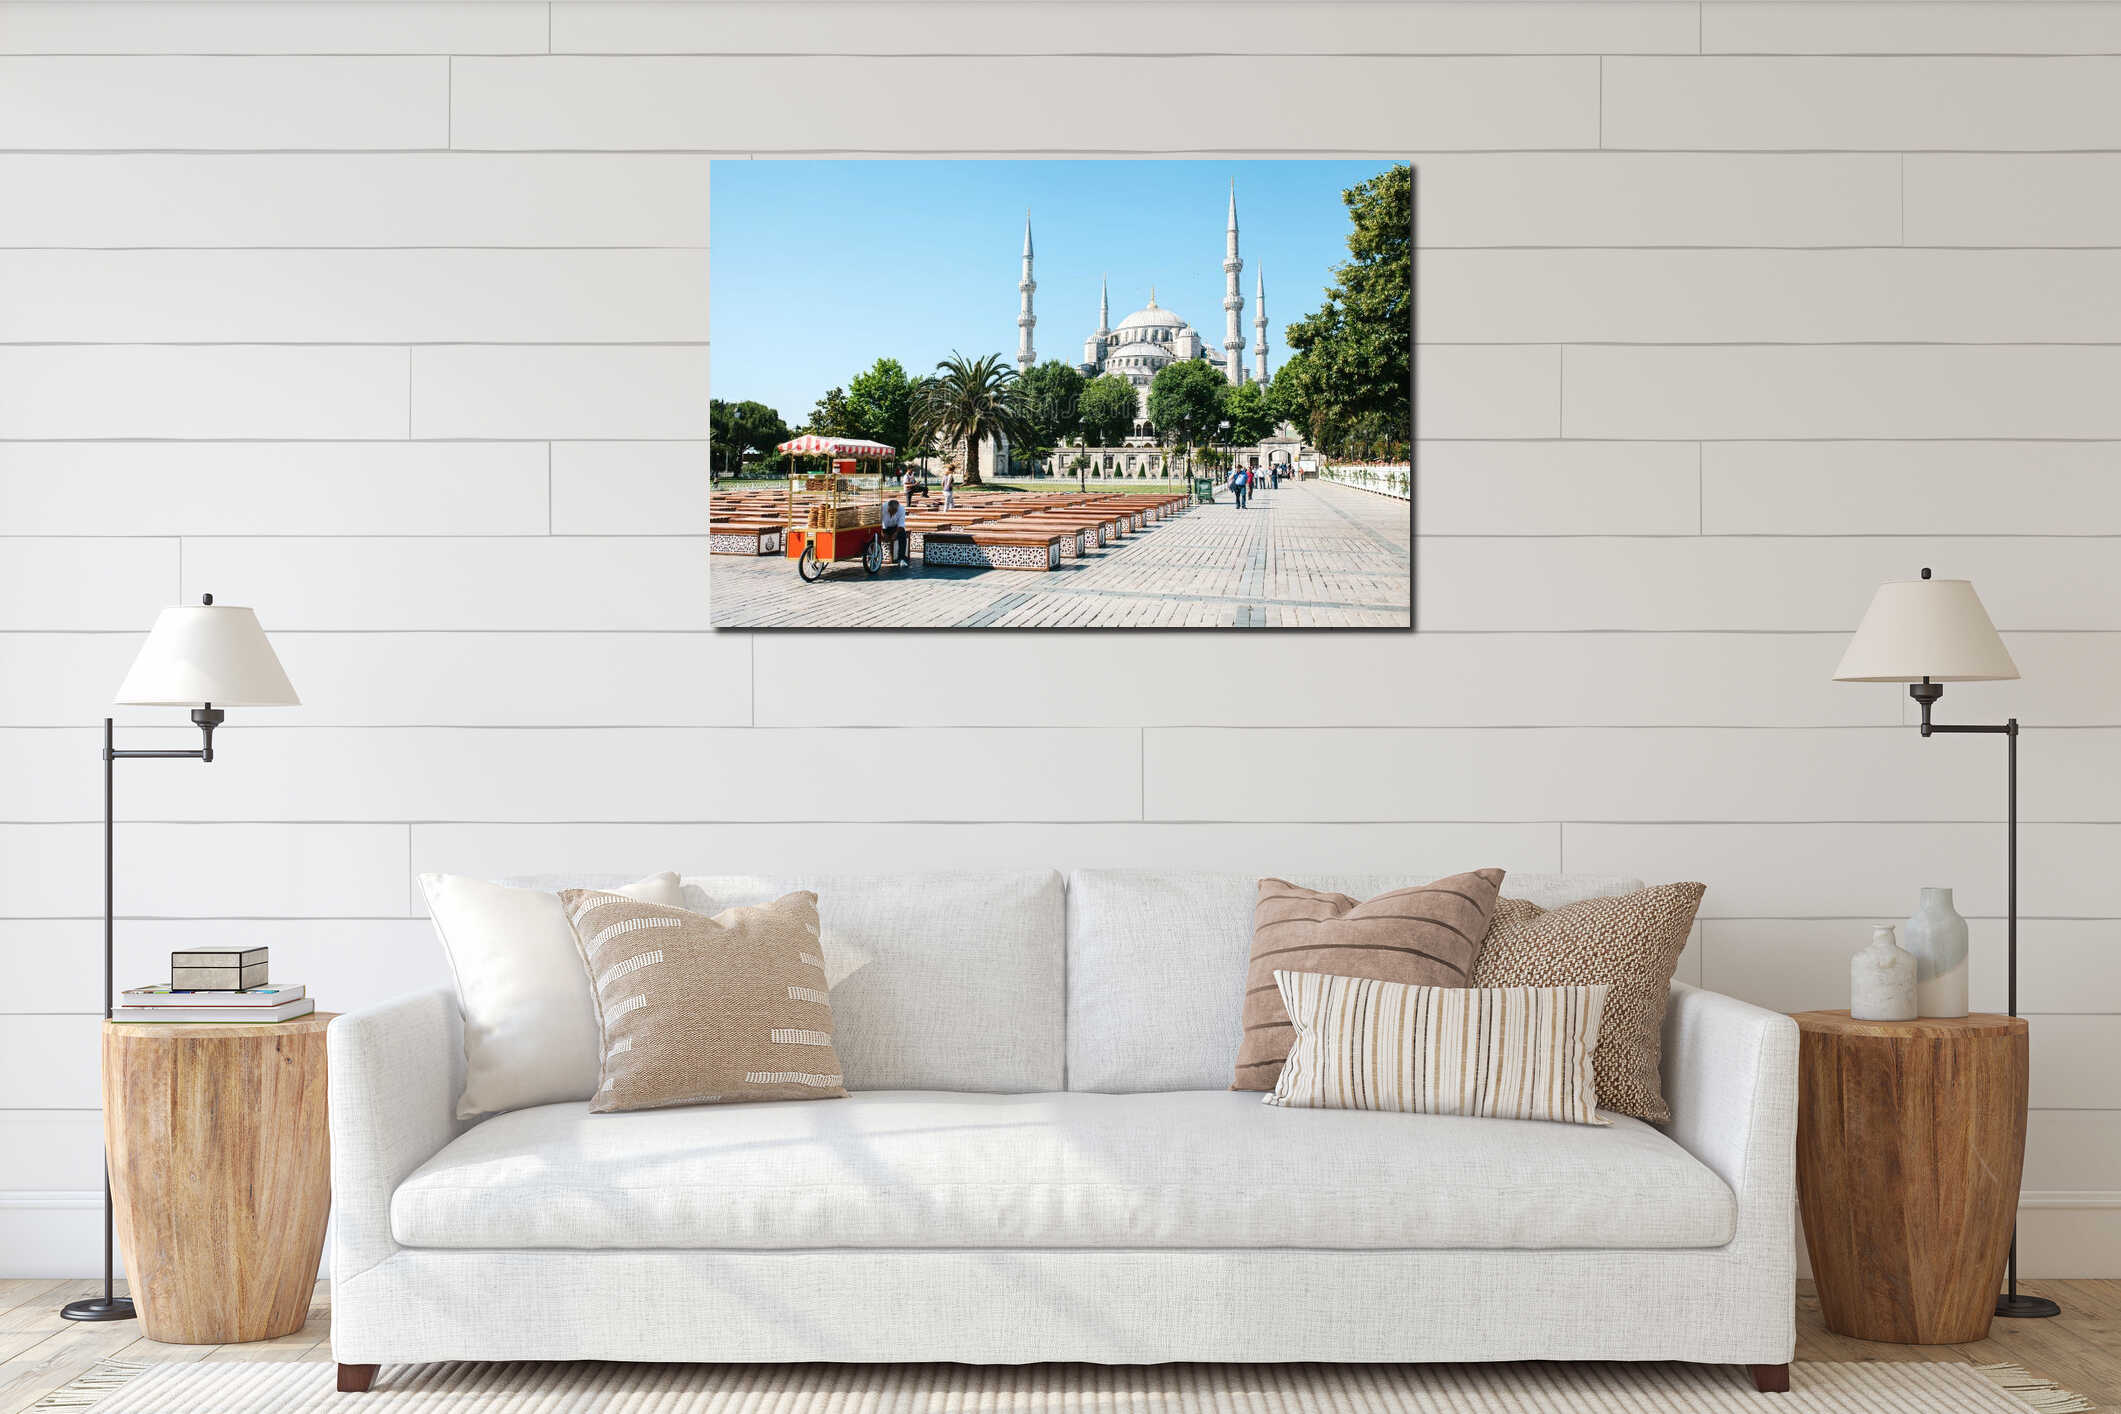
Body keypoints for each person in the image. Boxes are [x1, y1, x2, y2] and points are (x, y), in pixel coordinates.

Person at [880, 496, 909, 566]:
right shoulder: (883, 508)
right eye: (890, 512)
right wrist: (882, 532)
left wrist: (896, 533)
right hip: (883, 527)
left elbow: (901, 525)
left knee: (903, 535)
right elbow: (878, 521)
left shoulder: (901, 509)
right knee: (875, 536)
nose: (891, 514)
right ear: (888, 508)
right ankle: (878, 555)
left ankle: (901, 558)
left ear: (897, 509)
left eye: (893, 512)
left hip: (895, 527)